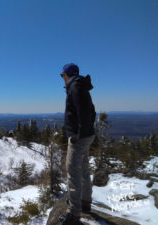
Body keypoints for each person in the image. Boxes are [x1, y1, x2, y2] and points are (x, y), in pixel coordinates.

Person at [60, 63, 96, 225]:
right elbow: (91, 111)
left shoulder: (75, 87)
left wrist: (78, 135)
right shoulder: (81, 87)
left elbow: (84, 112)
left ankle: (74, 214)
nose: (62, 78)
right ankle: (85, 203)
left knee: (73, 171)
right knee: (83, 168)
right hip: (86, 135)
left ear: (67, 74)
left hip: (78, 137)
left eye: (62, 75)